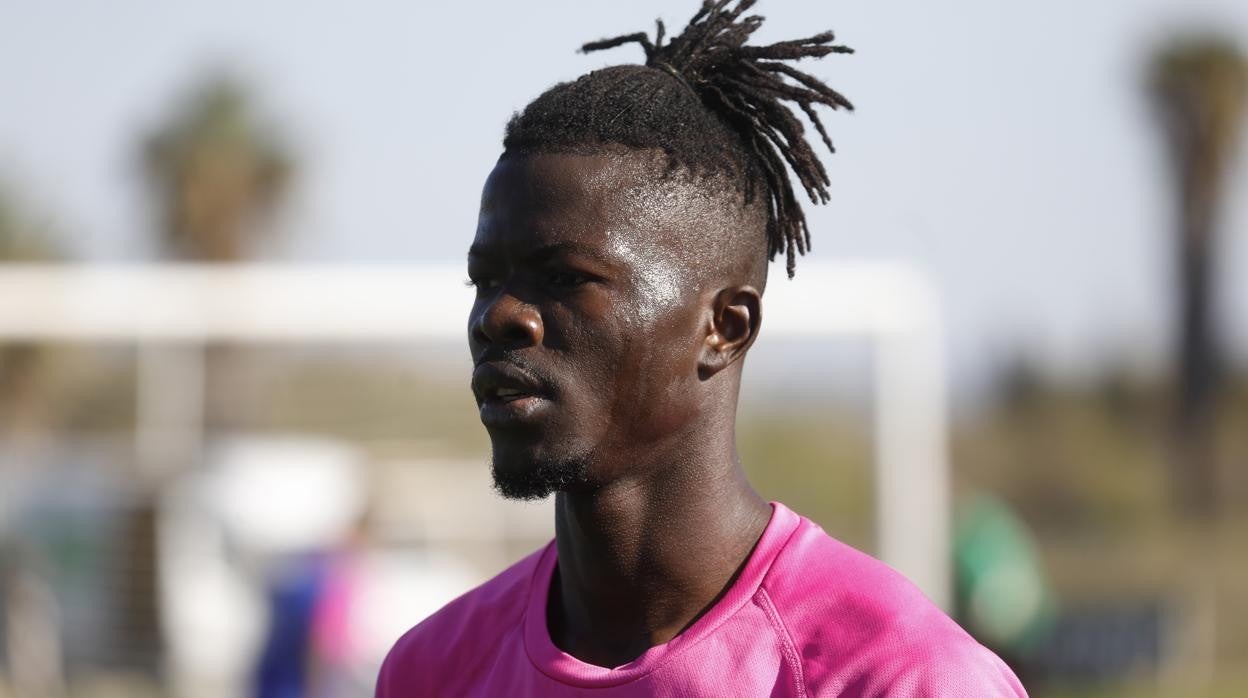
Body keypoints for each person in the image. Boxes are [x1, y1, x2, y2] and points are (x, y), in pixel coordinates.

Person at [378, 1, 1027, 695]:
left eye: (566, 278)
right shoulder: (435, 669)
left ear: (725, 328)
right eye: (486, 279)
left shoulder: (897, 676)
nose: (500, 316)